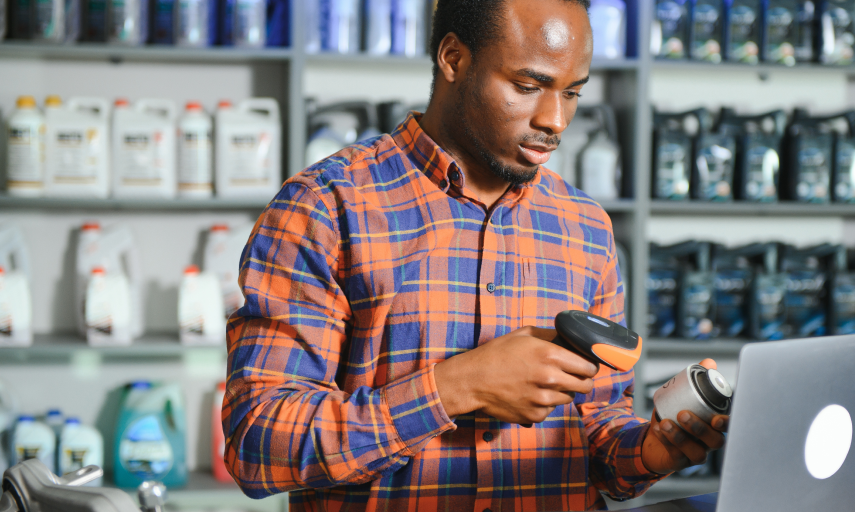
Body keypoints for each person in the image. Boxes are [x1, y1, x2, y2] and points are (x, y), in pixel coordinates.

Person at [222, 0, 728, 510]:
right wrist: (455, 388)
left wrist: (650, 450)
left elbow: (594, 426)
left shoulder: (586, 227)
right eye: (528, 86)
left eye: (572, 92)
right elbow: (258, 443)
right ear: (453, 58)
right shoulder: (326, 207)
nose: (555, 120)